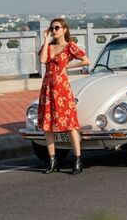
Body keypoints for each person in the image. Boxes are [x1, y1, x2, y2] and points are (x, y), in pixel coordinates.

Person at [38, 18, 91, 174]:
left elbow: (86, 60)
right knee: (47, 126)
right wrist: (47, 40)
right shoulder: (48, 46)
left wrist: (68, 66)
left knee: (70, 124)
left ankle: (78, 160)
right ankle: (53, 161)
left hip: (62, 88)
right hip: (47, 87)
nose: (54, 31)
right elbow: (42, 60)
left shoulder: (69, 47)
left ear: (64, 30)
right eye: (52, 28)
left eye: (57, 28)